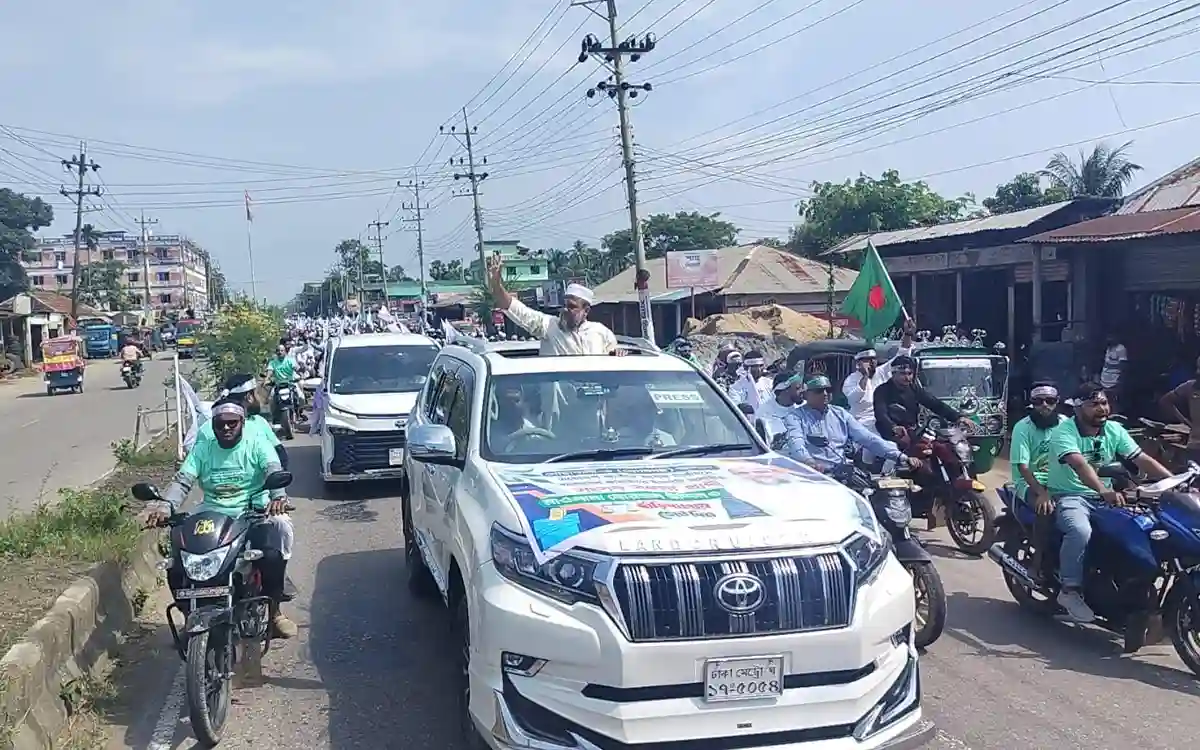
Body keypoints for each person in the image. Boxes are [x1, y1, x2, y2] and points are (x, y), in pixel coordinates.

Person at [145, 398, 299, 638]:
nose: (226, 428)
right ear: (213, 425)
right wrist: (165, 507)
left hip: (253, 512)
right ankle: (190, 617)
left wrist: (278, 498)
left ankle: (275, 613)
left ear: (241, 423)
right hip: (211, 514)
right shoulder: (203, 449)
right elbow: (182, 481)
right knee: (178, 562)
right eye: (220, 424)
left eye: (232, 423)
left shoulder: (257, 444)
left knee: (271, 554)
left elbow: (274, 470)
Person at [1046, 382, 1171, 623]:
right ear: (1078, 408)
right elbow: (1080, 465)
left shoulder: (1114, 429)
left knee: (1143, 530)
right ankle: (1069, 590)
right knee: (1080, 531)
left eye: (1104, 403)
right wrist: (1103, 489)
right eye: (1094, 404)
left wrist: (1173, 481)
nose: (1102, 408)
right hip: (1071, 495)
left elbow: (1141, 459)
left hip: (1107, 497)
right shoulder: (1064, 433)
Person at [487, 255, 617, 355]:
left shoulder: (601, 333)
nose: (565, 310)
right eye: (565, 305)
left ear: (586, 311)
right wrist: (496, 285)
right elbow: (515, 308)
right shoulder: (549, 326)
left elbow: (615, 361)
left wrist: (619, 354)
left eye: (572, 307)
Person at [782, 376, 916, 472]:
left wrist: (901, 456)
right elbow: (796, 444)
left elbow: (868, 439)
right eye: (818, 390)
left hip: (841, 473)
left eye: (828, 390)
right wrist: (809, 462)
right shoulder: (795, 417)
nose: (825, 394)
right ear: (806, 395)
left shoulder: (840, 414)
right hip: (811, 475)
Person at [196, 375, 288, 469]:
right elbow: (280, 454)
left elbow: (194, 460)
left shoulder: (206, 427)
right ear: (249, 397)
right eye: (256, 393)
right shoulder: (259, 423)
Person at [841, 322, 915, 435]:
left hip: (885, 419)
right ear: (858, 364)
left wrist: (908, 334)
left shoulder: (881, 372)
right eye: (867, 360)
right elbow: (854, 399)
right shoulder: (851, 380)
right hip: (863, 423)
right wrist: (865, 376)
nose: (872, 363)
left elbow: (902, 356)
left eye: (873, 359)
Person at [872, 354, 964, 443]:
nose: (907, 378)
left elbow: (934, 403)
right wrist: (893, 427)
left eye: (909, 374)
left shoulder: (913, 388)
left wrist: (958, 417)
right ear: (893, 374)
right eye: (903, 374)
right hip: (889, 436)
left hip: (913, 432)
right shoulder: (882, 391)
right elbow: (881, 415)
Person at [1158, 354, 1200, 463]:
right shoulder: (1190, 387)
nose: (1198, 372)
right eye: (1198, 368)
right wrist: (1184, 420)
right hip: (1195, 446)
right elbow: (1165, 401)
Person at [754, 372, 802, 444]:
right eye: (798, 388)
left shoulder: (804, 408)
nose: (802, 391)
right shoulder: (763, 413)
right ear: (785, 390)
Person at [1099, 334, 1129, 413]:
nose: (1109, 339)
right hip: (1104, 380)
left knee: (1115, 402)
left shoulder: (1121, 348)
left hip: (1114, 381)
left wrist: (1120, 381)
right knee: (1105, 401)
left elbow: (1123, 366)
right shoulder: (1108, 348)